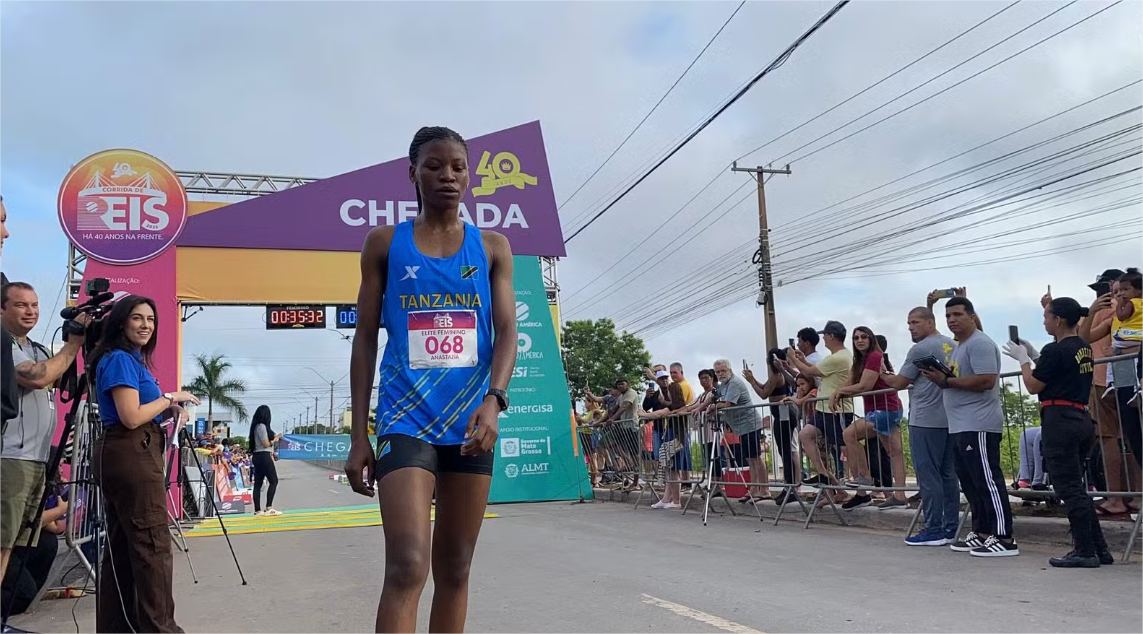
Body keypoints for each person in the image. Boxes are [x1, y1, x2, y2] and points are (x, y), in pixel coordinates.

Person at [344, 126, 517, 633]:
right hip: (405, 420)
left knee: (456, 568)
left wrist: (495, 400)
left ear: (469, 175)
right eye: (434, 165)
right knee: (407, 564)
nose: (447, 175)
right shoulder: (384, 243)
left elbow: (507, 331)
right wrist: (359, 435)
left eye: (458, 167)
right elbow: (365, 340)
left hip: (470, 423)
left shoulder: (492, 248)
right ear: (412, 174)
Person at [90, 295, 199, 632]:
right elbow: (131, 415)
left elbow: (139, 409)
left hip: (130, 452)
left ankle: (119, 627)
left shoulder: (130, 362)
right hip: (131, 454)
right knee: (152, 549)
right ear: (121, 322)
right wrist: (170, 397)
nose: (145, 325)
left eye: (151, 320)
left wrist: (166, 407)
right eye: (137, 318)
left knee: (123, 549)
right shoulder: (120, 360)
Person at [1004, 297, 1113, 567]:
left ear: (1059, 319)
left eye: (1046, 316)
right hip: (1080, 417)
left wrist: (1023, 361)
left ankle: (1085, 550)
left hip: (1059, 420)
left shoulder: (1056, 350)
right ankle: (1098, 548)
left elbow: (1033, 386)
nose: (1044, 321)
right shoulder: (1083, 348)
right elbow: (1060, 372)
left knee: (1069, 489)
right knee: (1078, 487)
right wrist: (1034, 356)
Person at [920, 297, 1018, 558]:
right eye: (948, 315)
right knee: (971, 482)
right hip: (959, 424)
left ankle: (1004, 537)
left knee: (987, 480)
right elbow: (957, 379)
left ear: (972, 316)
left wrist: (948, 382)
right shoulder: (958, 347)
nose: (952, 320)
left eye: (957, 314)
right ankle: (983, 531)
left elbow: (986, 380)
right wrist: (942, 379)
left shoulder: (980, 343)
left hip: (979, 423)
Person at [0, 282, 85, 583]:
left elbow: (56, 376)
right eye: (21, 305)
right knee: (2, 542)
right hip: (10, 455)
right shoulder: (4, 345)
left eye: (35, 305)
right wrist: (73, 345)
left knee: (15, 544)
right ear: (2, 308)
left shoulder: (34, 348)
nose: (31, 311)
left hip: (35, 459)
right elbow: (37, 377)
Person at [880, 307, 960, 546]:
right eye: (908, 323)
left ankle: (933, 527)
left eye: (914, 322)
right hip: (949, 418)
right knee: (948, 475)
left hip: (925, 420)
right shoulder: (952, 345)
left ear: (929, 322)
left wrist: (882, 373)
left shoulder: (921, 349)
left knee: (929, 476)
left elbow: (899, 382)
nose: (910, 327)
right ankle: (950, 527)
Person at [1075, 270, 1140, 515]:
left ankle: (1123, 496)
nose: (1116, 296)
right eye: (1113, 292)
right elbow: (1085, 339)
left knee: (1126, 437)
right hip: (1114, 377)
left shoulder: (1128, 312)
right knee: (1122, 437)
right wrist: (1092, 312)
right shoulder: (1114, 317)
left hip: (1120, 376)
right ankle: (1124, 496)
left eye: (1122, 291)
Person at [833, 326, 907, 510]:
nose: (859, 340)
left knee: (849, 434)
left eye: (864, 337)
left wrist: (839, 391)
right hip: (879, 409)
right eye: (856, 337)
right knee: (894, 452)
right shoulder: (860, 361)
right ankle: (898, 495)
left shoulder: (874, 356)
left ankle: (864, 478)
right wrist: (838, 392)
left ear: (871, 339)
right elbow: (850, 383)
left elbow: (865, 385)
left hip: (885, 409)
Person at [789, 321, 853, 497]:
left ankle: (856, 489)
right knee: (805, 435)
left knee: (841, 450)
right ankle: (825, 476)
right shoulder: (835, 357)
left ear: (832, 336)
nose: (823, 339)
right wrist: (801, 360)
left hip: (836, 409)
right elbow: (815, 370)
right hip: (823, 408)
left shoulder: (839, 357)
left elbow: (809, 373)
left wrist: (793, 359)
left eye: (825, 335)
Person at [1, 481, 67, 618]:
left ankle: (24, 593)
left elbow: (55, 526)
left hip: (15, 539)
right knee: (24, 595)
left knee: (46, 542)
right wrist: (59, 511)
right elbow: (28, 519)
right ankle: (21, 596)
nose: (61, 465)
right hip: (6, 539)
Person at [744, 348, 798, 504]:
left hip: (784, 415)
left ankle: (790, 486)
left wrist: (751, 381)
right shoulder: (776, 376)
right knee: (784, 451)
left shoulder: (777, 376)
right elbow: (765, 387)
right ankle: (789, 485)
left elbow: (763, 393)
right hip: (781, 415)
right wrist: (753, 379)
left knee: (785, 451)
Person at [710, 359, 768, 502]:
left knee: (755, 457)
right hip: (740, 426)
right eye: (717, 372)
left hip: (749, 423)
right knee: (750, 458)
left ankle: (764, 489)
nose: (720, 374)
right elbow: (715, 399)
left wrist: (713, 407)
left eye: (723, 371)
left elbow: (728, 404)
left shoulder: (734, 383)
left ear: (729, 370)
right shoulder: (723, 385)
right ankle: (754, 488)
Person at [248, 405, 282, 516]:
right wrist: (275, 439)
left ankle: (258, 510)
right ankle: (269, 507)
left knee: (258, 484)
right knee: (274, 480)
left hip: (257, 456)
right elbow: (265, 443)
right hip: (263, 455)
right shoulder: (261, 426)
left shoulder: (255, 426)